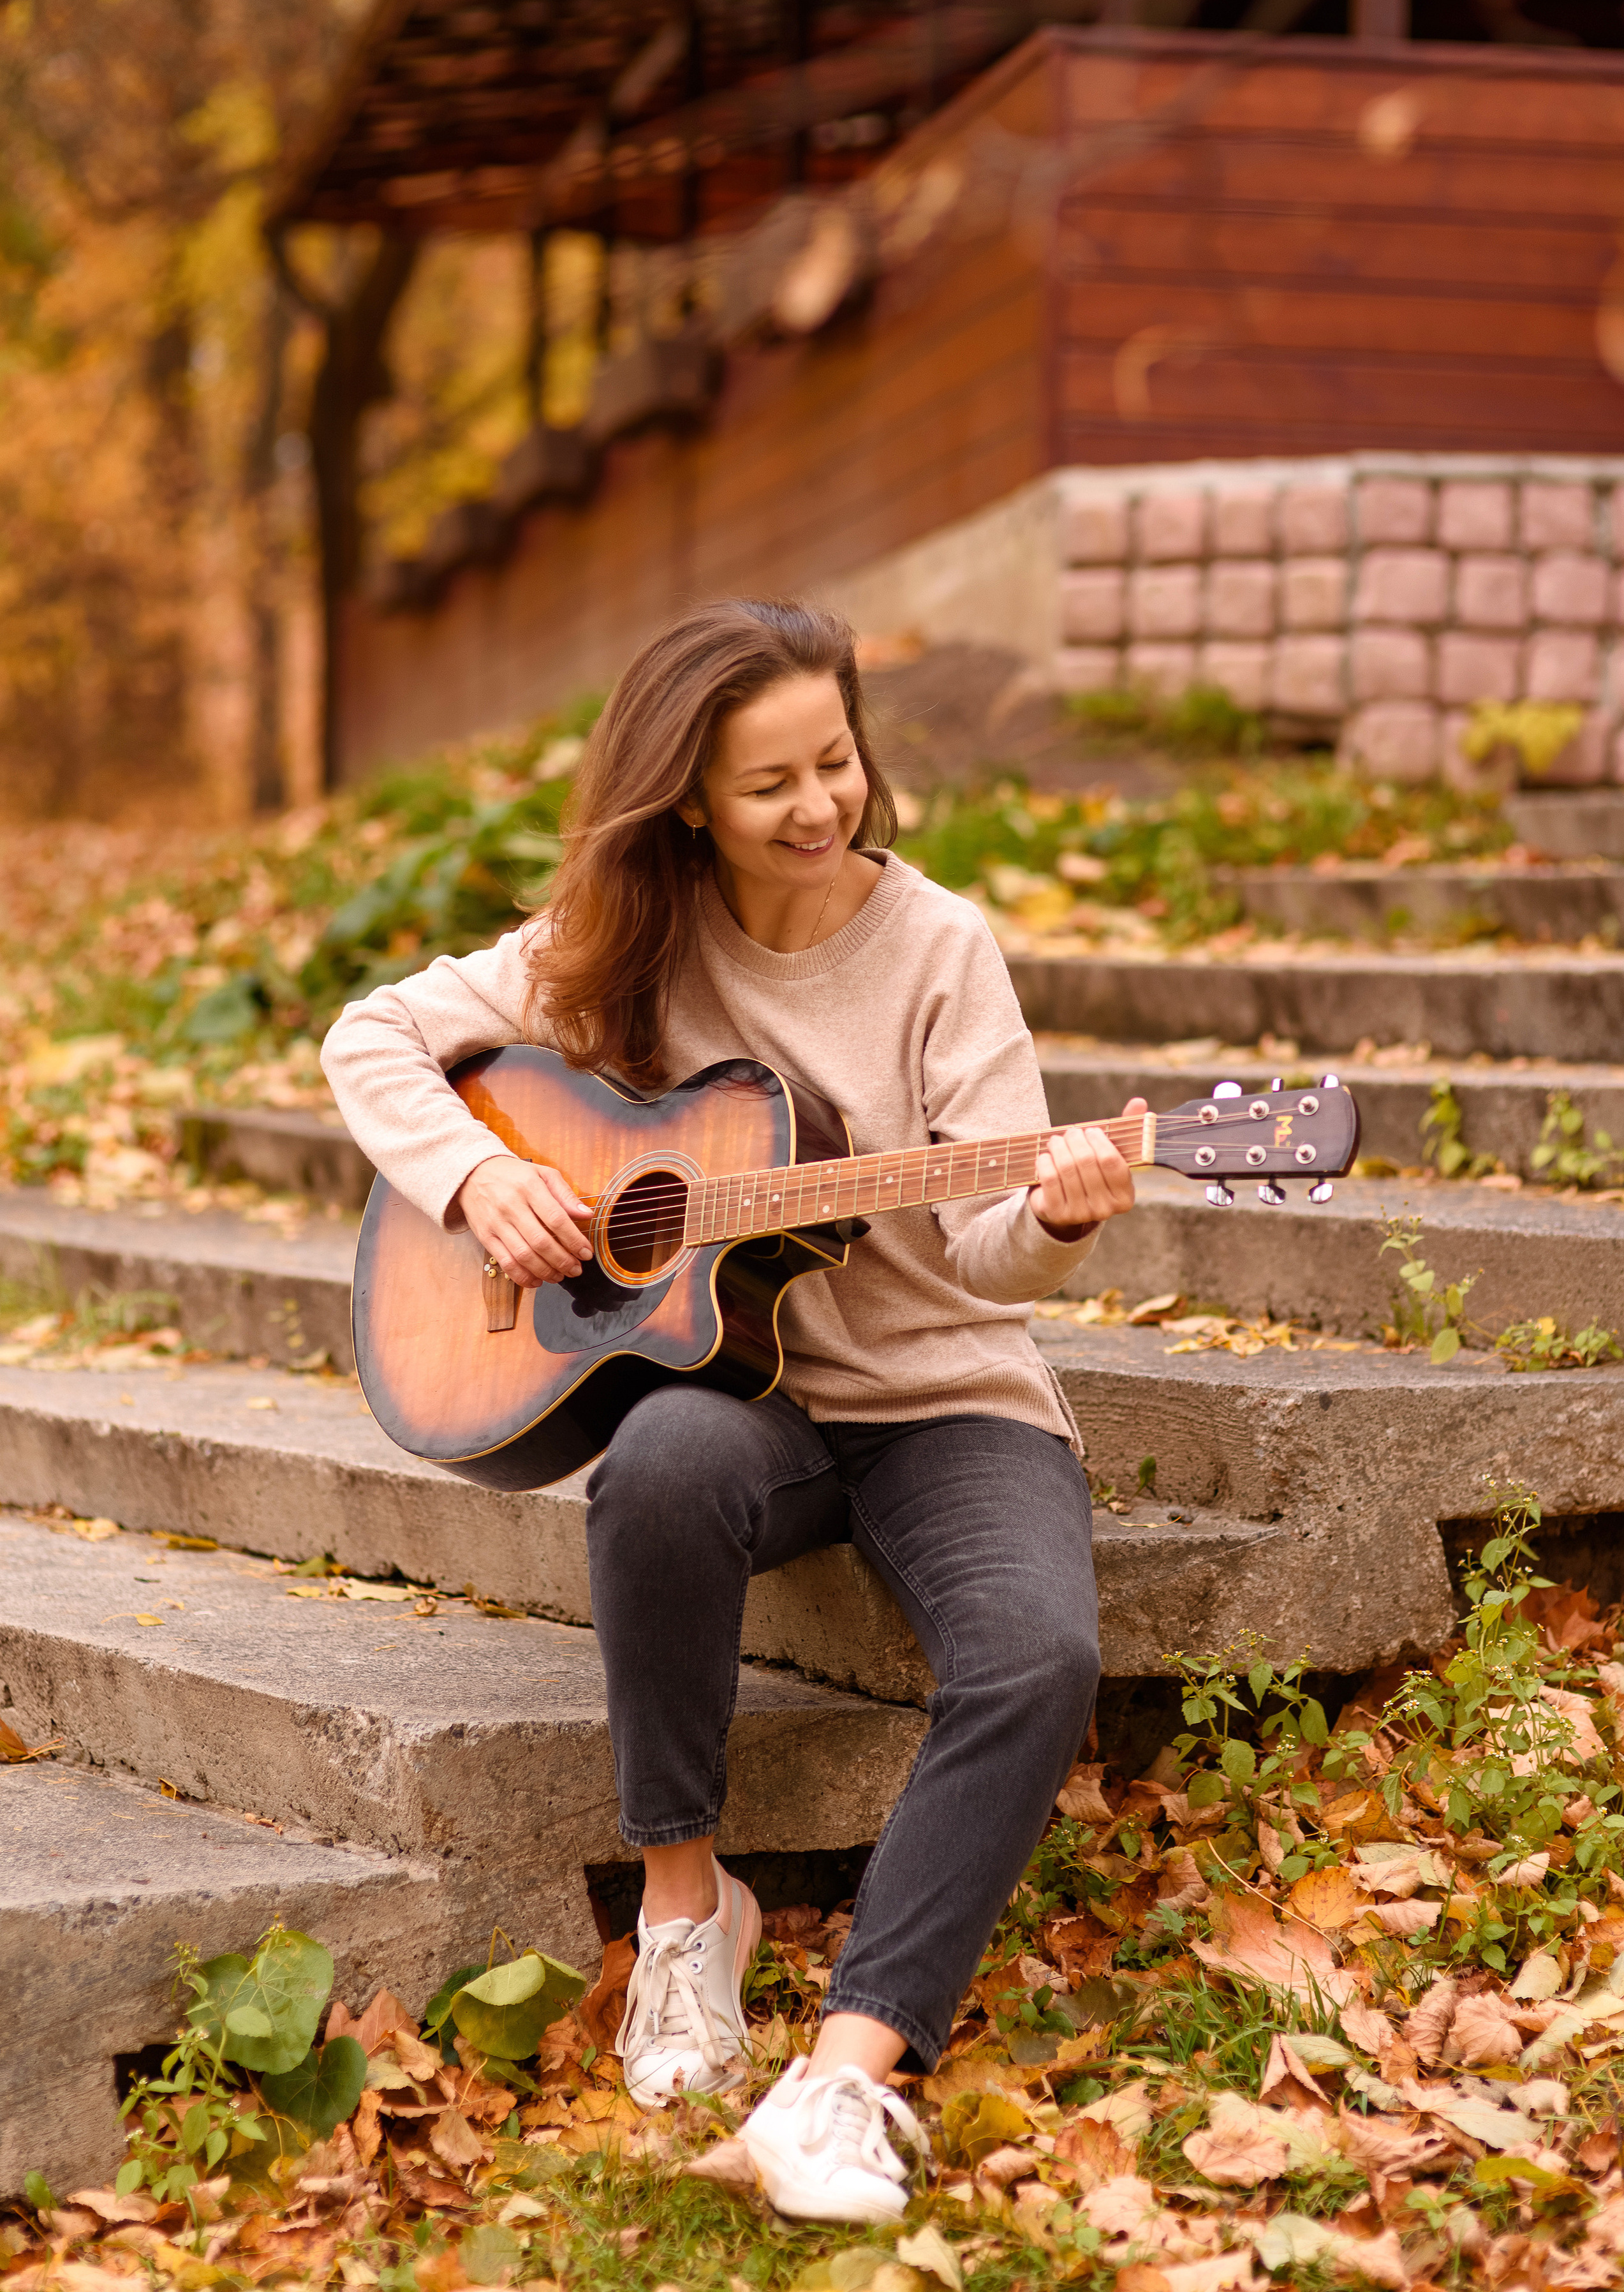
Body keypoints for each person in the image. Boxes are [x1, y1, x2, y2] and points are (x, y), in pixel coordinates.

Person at [321, 598, 1143, 2225]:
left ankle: (846, 2079)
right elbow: (375, 1037)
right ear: (688, 796)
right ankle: (687, 1912)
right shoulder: (629, 933)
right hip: (740, 1394)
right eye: (769, 782)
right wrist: (487, 1178)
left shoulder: (936, 947)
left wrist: (1055, 1212)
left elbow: (983, 1254)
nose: (817, 805)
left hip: (943, 1394)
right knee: (660, 1455)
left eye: (834, 761)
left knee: (1039, 1654)